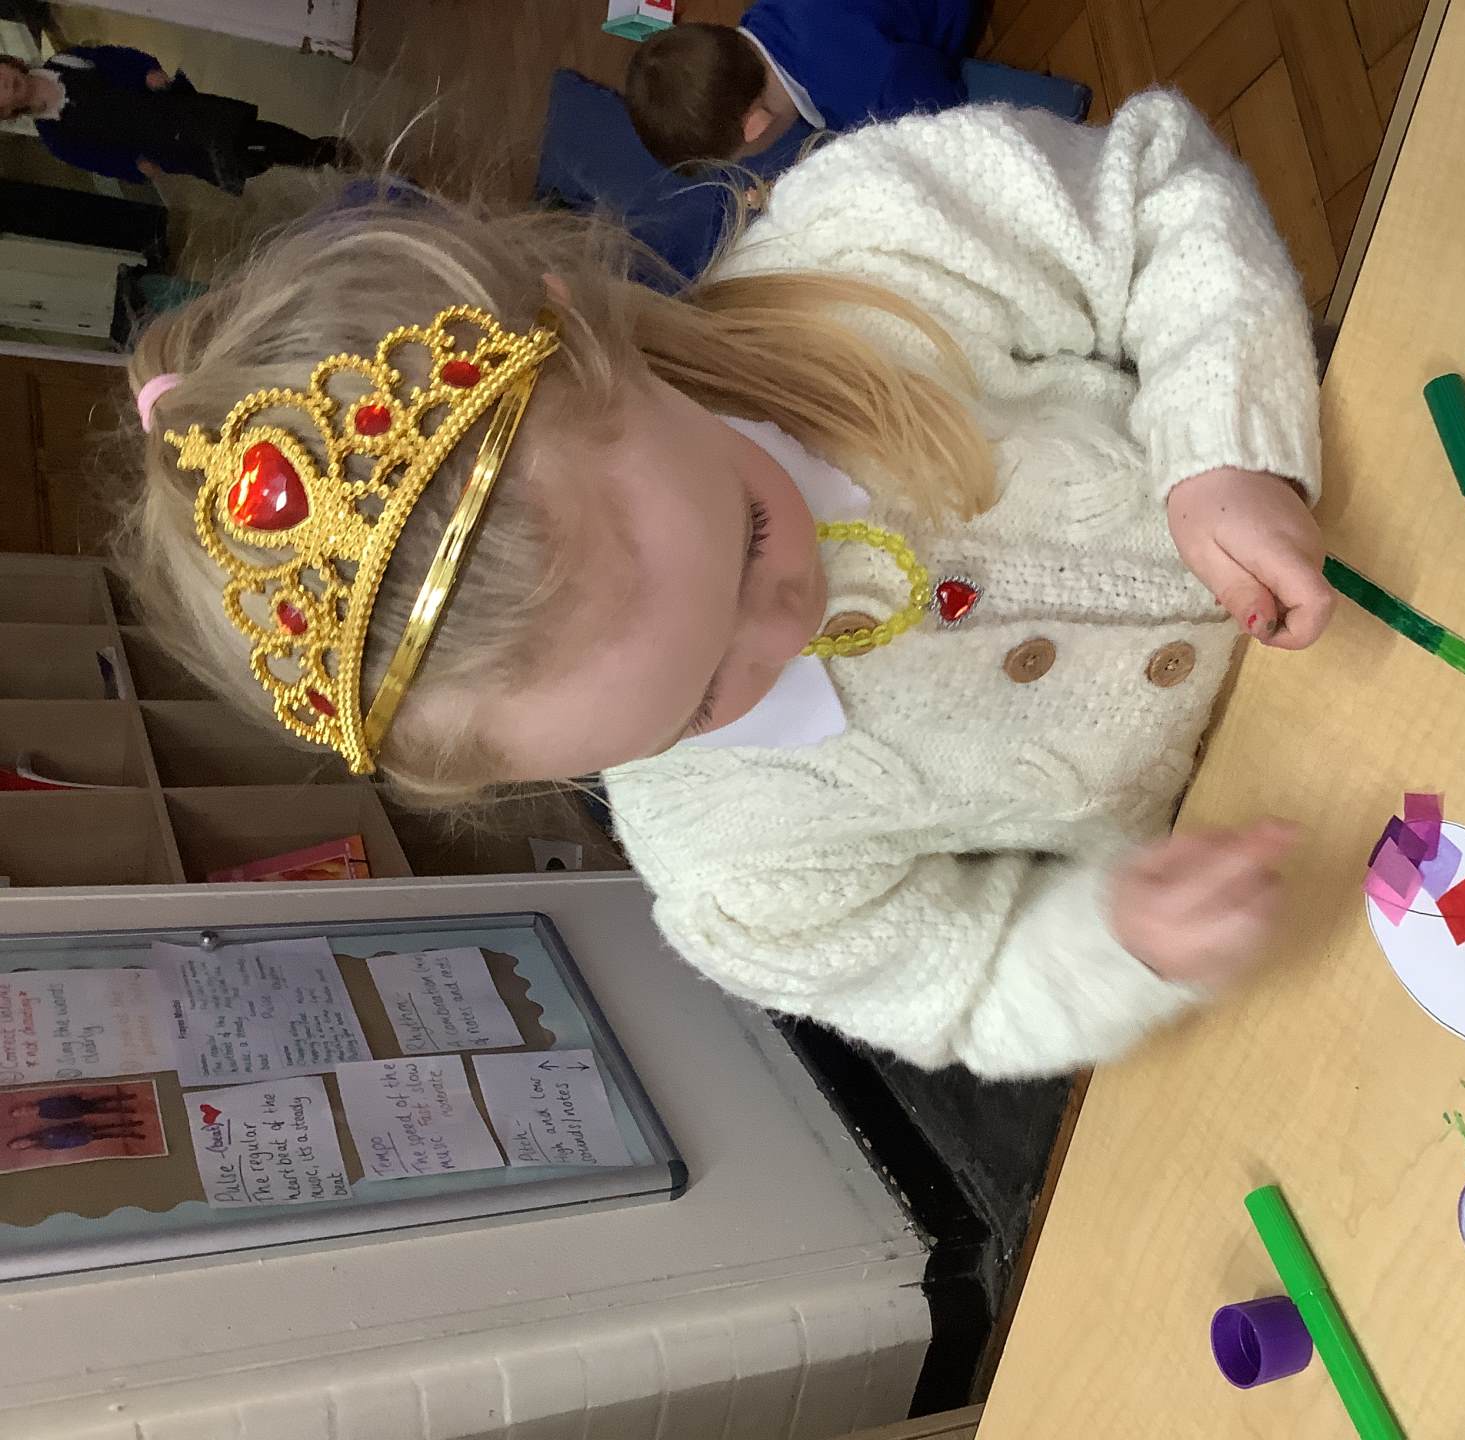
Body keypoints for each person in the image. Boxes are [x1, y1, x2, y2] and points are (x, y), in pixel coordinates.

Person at [119, 92, 1331, 1079]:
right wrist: (1118, 943)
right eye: (698, 703)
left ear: (593, 337)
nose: (786, 624)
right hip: (1319, 821)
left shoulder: (865, 251)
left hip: (1367, 494)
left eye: (750, 534)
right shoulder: (736, 875)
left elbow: (1150, 194)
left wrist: (1222, 446)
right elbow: (965, 988)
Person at [623, 0, 977, 167]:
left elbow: (946, 116)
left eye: (741, 157)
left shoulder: (874, 92)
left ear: (755, 126)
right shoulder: (763, 16)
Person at [0, 48, 347, 193]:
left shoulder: (64, 61)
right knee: (243, 159)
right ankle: (293, 155)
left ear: (8, 63)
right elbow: (100, 159)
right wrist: (136, 167)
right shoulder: (56, 137)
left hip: (173, 108)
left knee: (246, 131)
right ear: (4, 112)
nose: (5, 84)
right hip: (164, 145)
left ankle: (319, 151)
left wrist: (147, 71)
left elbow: (117, 58)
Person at [9, 1121, 146, 1151]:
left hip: (79, 1129)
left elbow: (60, 1127)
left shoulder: (40, 1132)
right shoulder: (43, 1146)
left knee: (107, 1126)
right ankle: (130, 1135)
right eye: (20, 1146)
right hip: (79, 1138)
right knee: (107, 1135)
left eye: (19, 1142)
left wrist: (78, 1126)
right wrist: (80, 1141)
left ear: (20, 1139)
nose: (22, 1143)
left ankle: (129, 1124)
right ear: (23, 1148)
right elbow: (63, 1146)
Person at [11, 1091, 136, 1122]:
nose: (24, 1111)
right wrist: (76, 1115)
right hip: (76, 1110)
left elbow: (59, 1098)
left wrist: (76, 1097)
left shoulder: (41, 1102)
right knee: (102, 1110)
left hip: (75, 1102)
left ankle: (124, 1097)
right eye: (21, 1114)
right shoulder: (42, 1115)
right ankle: (125, 1110)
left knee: (102, 1100)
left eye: (20, 1110)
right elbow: (61, 1117)